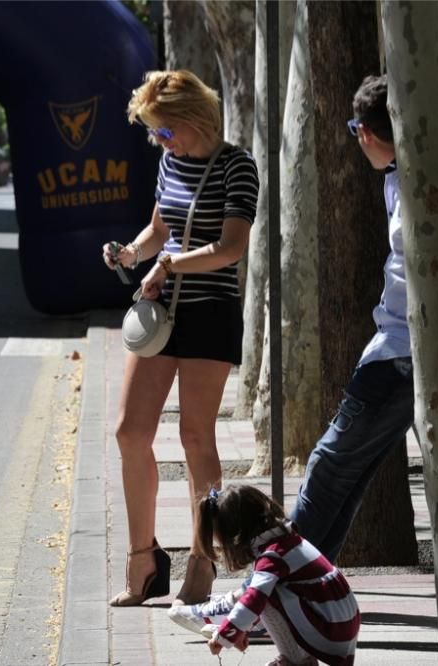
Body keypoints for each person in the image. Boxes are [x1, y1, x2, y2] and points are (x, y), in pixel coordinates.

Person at [169, 73, 438, 635]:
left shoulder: (420, 184)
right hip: (418, 350)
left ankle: (260, 601)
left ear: (367, 133)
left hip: (400, 353)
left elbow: (423, 274)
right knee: (348, 473)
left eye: (352, 130)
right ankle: (296, 598)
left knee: (327, 468)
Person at [101, 69, 259, 607]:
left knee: (196, 438)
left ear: (194, 118)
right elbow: (160, 228)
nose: (159, 141)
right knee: (128, 431)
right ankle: (143, 560)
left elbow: (231, 247)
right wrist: (132, 253)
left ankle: (202, 558)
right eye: (154, 132)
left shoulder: (238, 166)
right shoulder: (169, 162)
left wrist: (167, 266)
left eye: (165, 130)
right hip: (160, 314)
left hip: (209, 314)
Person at [198, 486, 359, 666]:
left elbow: (254, 599)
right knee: (264, 591)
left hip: (332, 631)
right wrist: (243, 627)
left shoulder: (273, 556)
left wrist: (226, 635)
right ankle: (297, 658)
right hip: (340, 625)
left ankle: (298, 661)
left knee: (264, 596)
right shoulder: (286, 542)